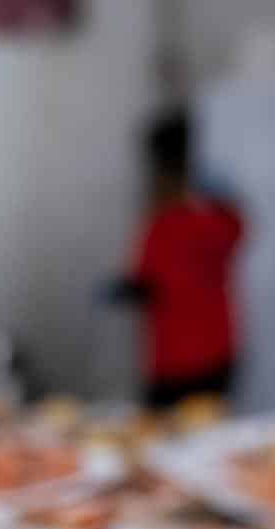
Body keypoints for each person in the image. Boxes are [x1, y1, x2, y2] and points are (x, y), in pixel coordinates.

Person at [109, 109, 245, 408]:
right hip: (217, 351)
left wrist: (127, 290)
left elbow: (146, 283)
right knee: (206, 435)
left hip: (176, 359)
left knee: (169, 440)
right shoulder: (217, 216)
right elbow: (238, 234)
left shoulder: (164, 224)